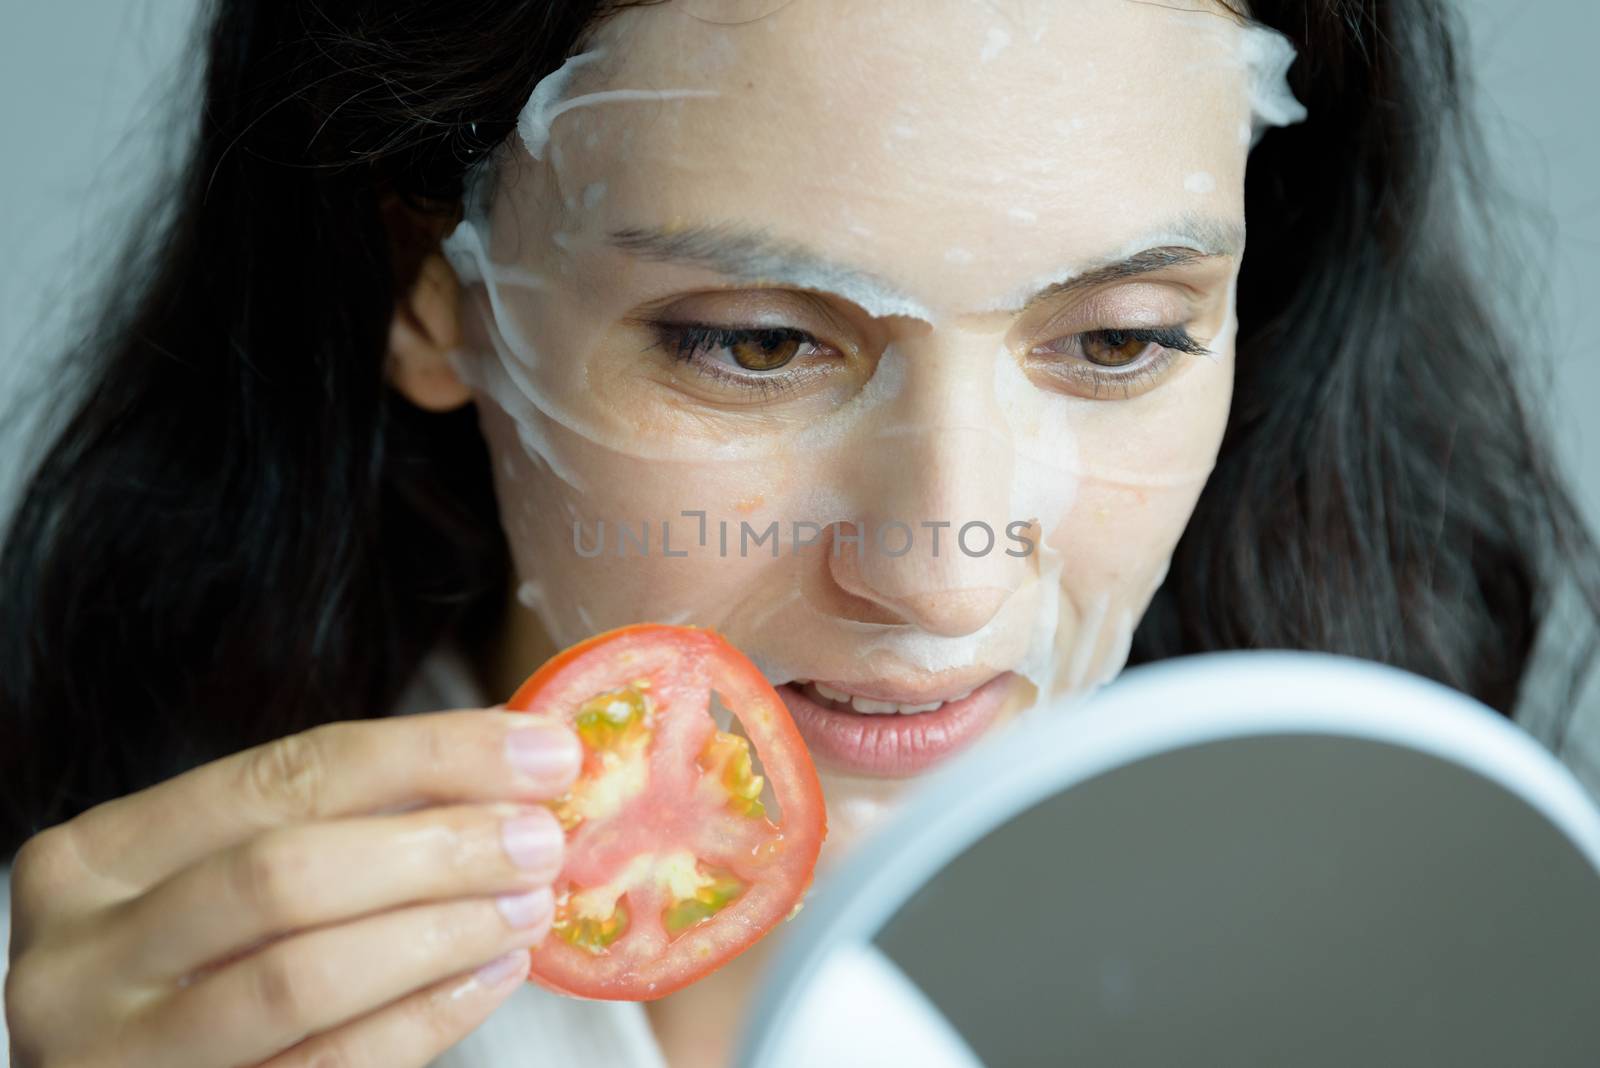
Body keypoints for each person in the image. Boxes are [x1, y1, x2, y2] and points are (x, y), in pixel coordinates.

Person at [3, 1, 1598, 1066]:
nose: (935, 571)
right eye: (757, 344)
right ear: (438, 290)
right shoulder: (73, 1009)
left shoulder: (1405, 994)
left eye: (1117, 342)